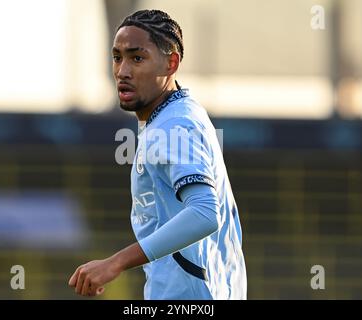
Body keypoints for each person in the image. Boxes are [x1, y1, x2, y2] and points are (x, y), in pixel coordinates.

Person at [69, 9, 247, 300]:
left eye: (137, 58)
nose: (123, 71)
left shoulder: (175, 124)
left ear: (171, 62)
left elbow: (204, 213)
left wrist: (114, 263)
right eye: (117, 57)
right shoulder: (175, 116)